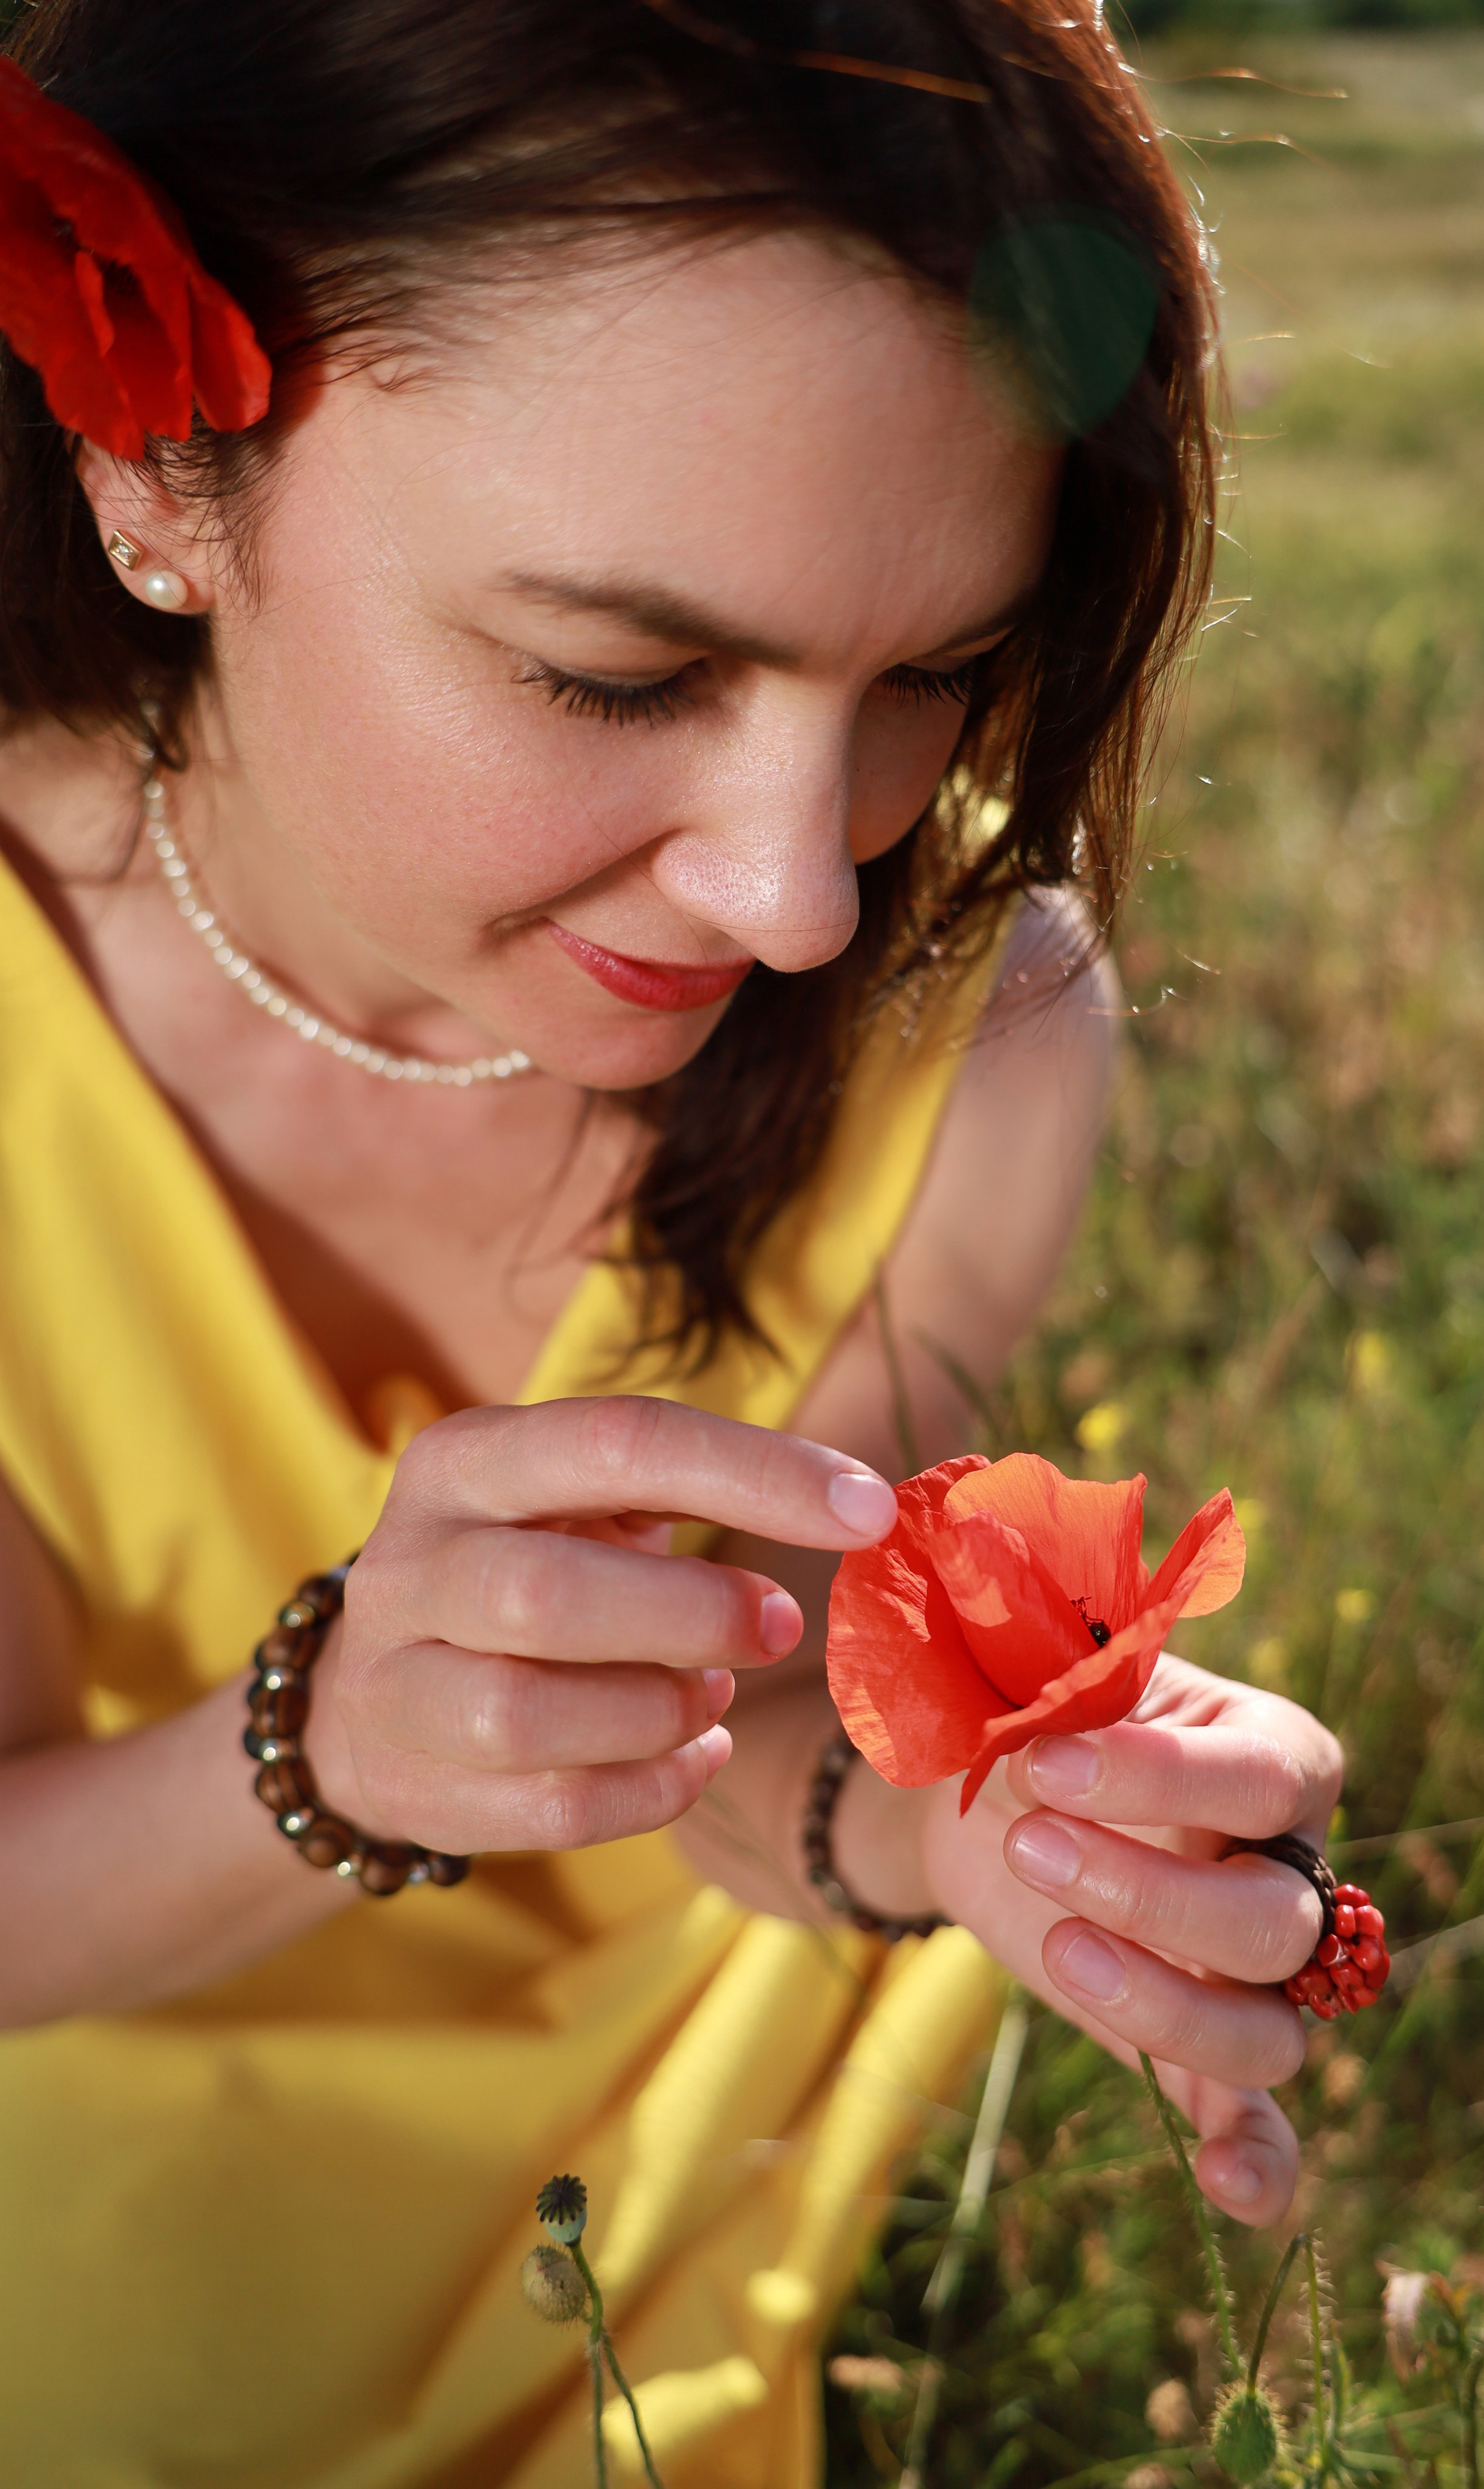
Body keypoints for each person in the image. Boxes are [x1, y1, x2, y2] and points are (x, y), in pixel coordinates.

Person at [0, 3, 1343, 2482]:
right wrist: (326, 1741)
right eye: (618, 676)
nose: (802, 892)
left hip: (649, 2057)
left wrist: (954, 1829)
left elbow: (744, 1743)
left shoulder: (985, 1022)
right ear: (157, 468)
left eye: (931, 676)